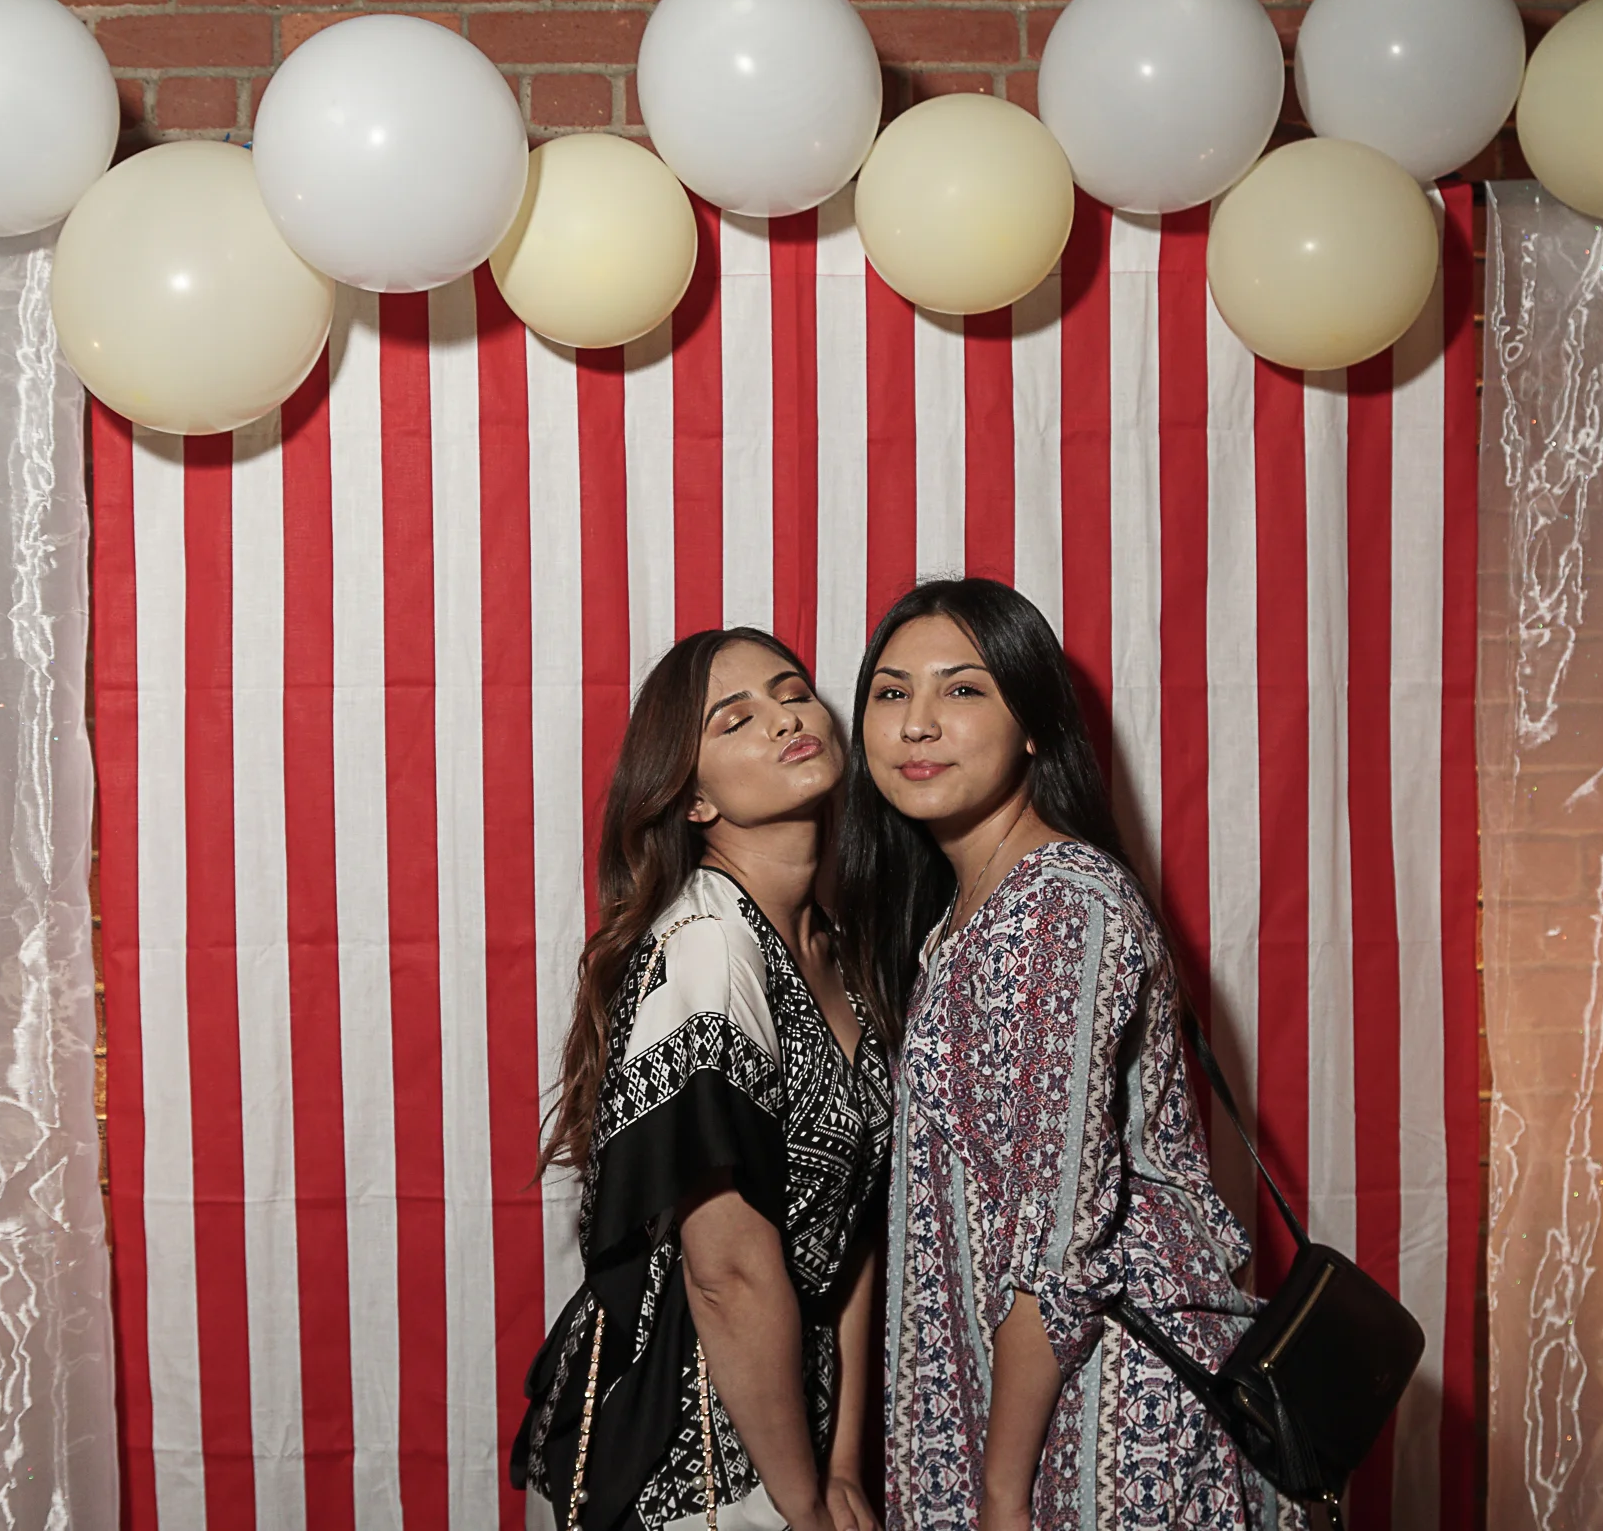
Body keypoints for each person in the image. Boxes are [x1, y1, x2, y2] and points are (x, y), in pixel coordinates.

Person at [837, 578, 1300, 1531]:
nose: (918, 722)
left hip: (1106, 1423)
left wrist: (1002, 1495)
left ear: (1034, 726)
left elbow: (1056, 1247)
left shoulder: (1060, 904)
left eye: (963, 689)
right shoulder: (965, 915)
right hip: (1039, 1409)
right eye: (891, 691)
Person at [513, 627, 891, 1531]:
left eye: (791, 691)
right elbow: (726, 1272)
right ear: (692, 799)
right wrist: (804, 1502)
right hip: (679, 1465)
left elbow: (854, 1225)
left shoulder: (839, 947)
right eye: (736, 719)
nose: (785, 718)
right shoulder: (711, 945)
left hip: (791, 1439)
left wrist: (842, 1464)